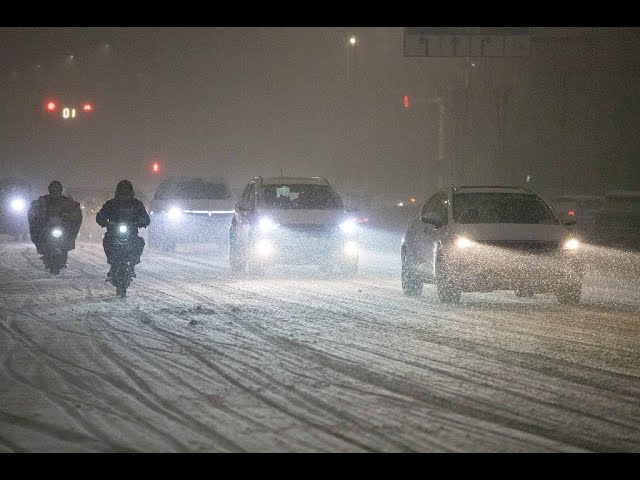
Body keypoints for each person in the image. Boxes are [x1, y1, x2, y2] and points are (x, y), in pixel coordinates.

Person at [96, 180, 150, 279]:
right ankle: (112, 263)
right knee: (107, 241)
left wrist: (141, 221)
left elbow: (146, 217)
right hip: (113, 234)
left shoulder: (137, 204)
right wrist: (105, 221)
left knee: (139, 242)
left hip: (132, 234)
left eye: (126, 192)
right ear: (117, 192)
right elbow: (101, 215)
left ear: (131, 192)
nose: (124, 194)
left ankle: (133, 263)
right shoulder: (111, 204)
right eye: (122, 192)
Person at [27, 180, 82, 256]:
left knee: (70, 233)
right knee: (39, 233)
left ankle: (66, 247)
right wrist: (38, 212)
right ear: (50, 190)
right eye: (53, 190)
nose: (55, 192)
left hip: (62, 226)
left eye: (57, 190)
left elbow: (75, 210)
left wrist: (72, 209)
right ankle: (43, 248)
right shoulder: (43, 200)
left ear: (60, 190)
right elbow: (35, 209)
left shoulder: (66, 201)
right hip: (47, 226)